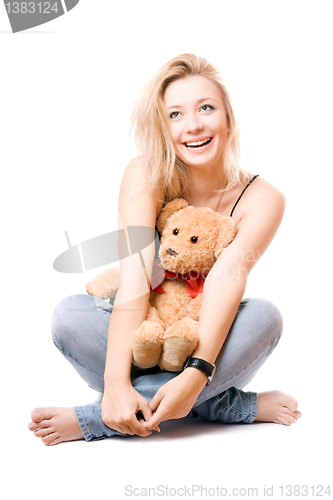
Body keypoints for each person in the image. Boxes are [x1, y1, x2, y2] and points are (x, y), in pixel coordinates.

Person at [29, 53, 302, 445]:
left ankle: (102, 417)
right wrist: (114, 381)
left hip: (199, 338)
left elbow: (228, 277)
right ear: (163, 125)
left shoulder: (263, 198)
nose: (192, 126)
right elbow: (136, 276)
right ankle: (221, 404)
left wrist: (195, 375)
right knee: (68, 316)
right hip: (141, 333)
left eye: (205, 108)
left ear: (228, 116)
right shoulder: (146, 174)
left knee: (265, 318)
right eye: (175, 114)